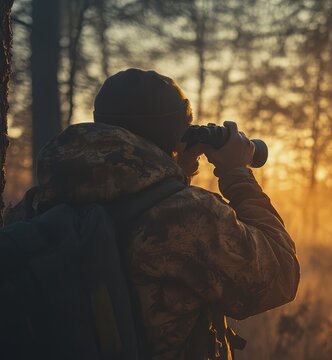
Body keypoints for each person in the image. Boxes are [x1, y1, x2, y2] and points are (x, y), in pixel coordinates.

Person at [6, 68, 300, 359]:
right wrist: (237, 173)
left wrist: (174, 171)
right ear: (176, 135)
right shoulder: (186, 217)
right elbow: (281, 277)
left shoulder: (39, 203)